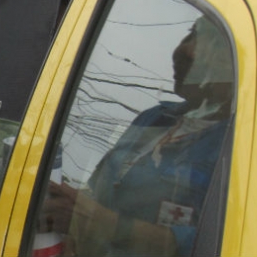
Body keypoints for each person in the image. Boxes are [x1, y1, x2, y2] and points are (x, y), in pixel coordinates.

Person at [42, 16, 235, 256]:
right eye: (189, 34)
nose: (184, 50)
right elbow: (97, 191)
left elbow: (215, 244)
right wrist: (64, 204)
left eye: (208, 42)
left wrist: (99, 222)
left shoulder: (236, 145)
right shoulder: (154, 118)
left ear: (236, 64)